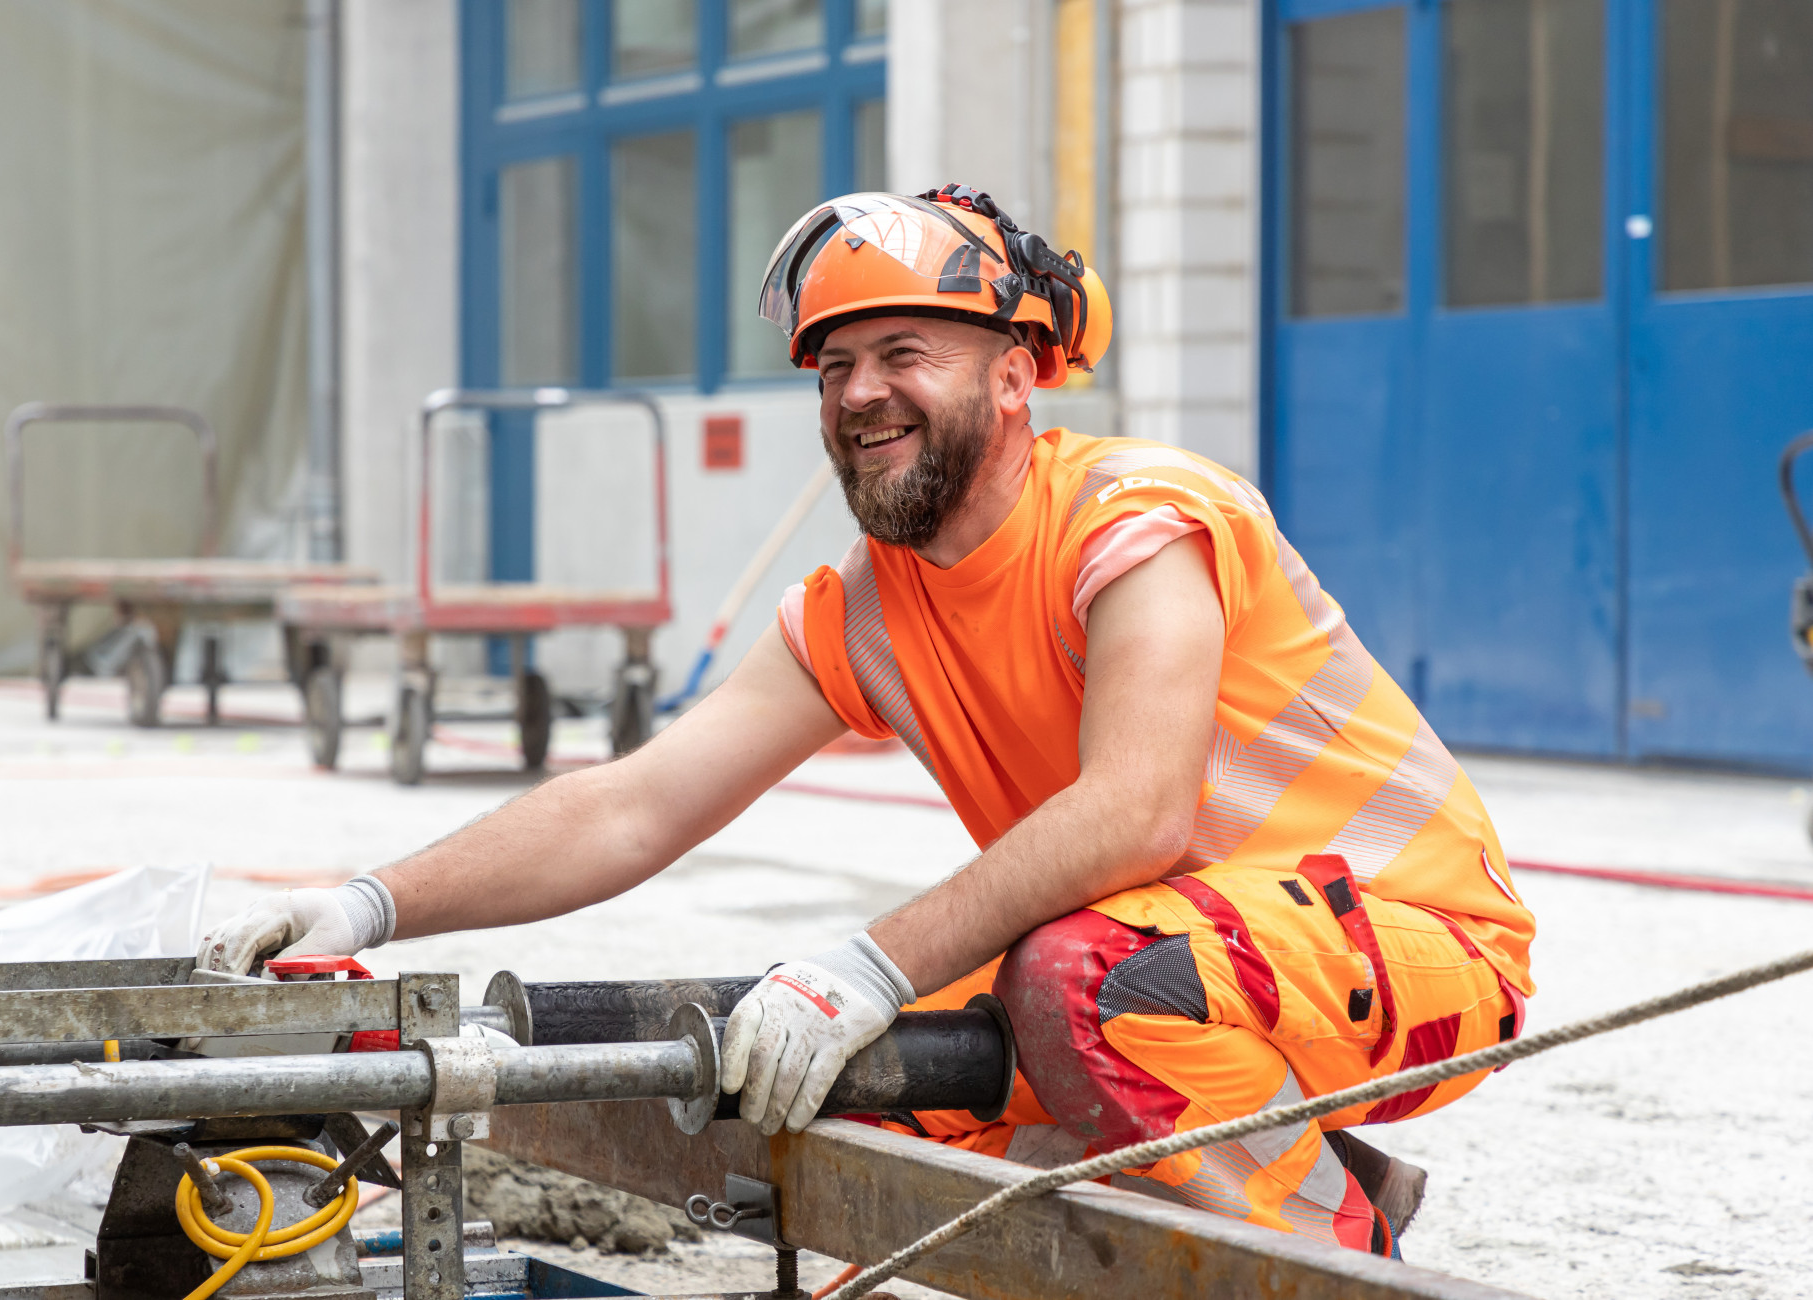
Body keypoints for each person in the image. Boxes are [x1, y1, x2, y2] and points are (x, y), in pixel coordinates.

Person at [200, 184, 1535, 1257]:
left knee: (1065, 989)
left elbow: (1136, 811)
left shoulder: (1138, 518)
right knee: (871, 1098)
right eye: (834, 366)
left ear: (1015, 378)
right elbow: (635, 802)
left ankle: (1342, 1252)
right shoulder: (866, 609)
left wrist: (867, 963)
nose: (856, 396)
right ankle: (1262, 1170)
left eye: (904, 354)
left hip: (1414, 954)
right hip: (1171, 962)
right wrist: (369, 906)